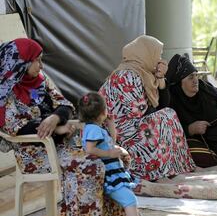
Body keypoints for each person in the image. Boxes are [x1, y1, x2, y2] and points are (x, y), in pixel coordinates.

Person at [0, 38, 116, 215]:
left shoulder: (39, 80)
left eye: (42, 59)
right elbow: (16, 128)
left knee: (114, 157)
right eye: (37, 60)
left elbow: (65, 105)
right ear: (21, 62)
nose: (41, 66)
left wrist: (55, 118)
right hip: (35, 152)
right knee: (91, 165)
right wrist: (56, 129)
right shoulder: (5, 91)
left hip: (63, 144)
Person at [99, 35, 196, 181]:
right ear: (146, 53)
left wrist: (161, 78)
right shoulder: (127, 75)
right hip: (117, 134)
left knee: (167, 114)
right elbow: (138, 112)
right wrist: (161, 115)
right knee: (165, 116)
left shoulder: (145, 75)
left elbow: (163, 104)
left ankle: (175, 167)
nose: (160, 59)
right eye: (158, 54)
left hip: (131, 127)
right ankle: (157, 171)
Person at [78, 92, 140, 216]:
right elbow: (90, 149)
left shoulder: (96, 128)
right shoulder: (93, 130)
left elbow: (111, 142)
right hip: (110, 175)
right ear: (102, 112)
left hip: (115, 172)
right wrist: (109, 153)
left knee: (128, 200)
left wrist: (111, 125)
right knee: (130, 200)